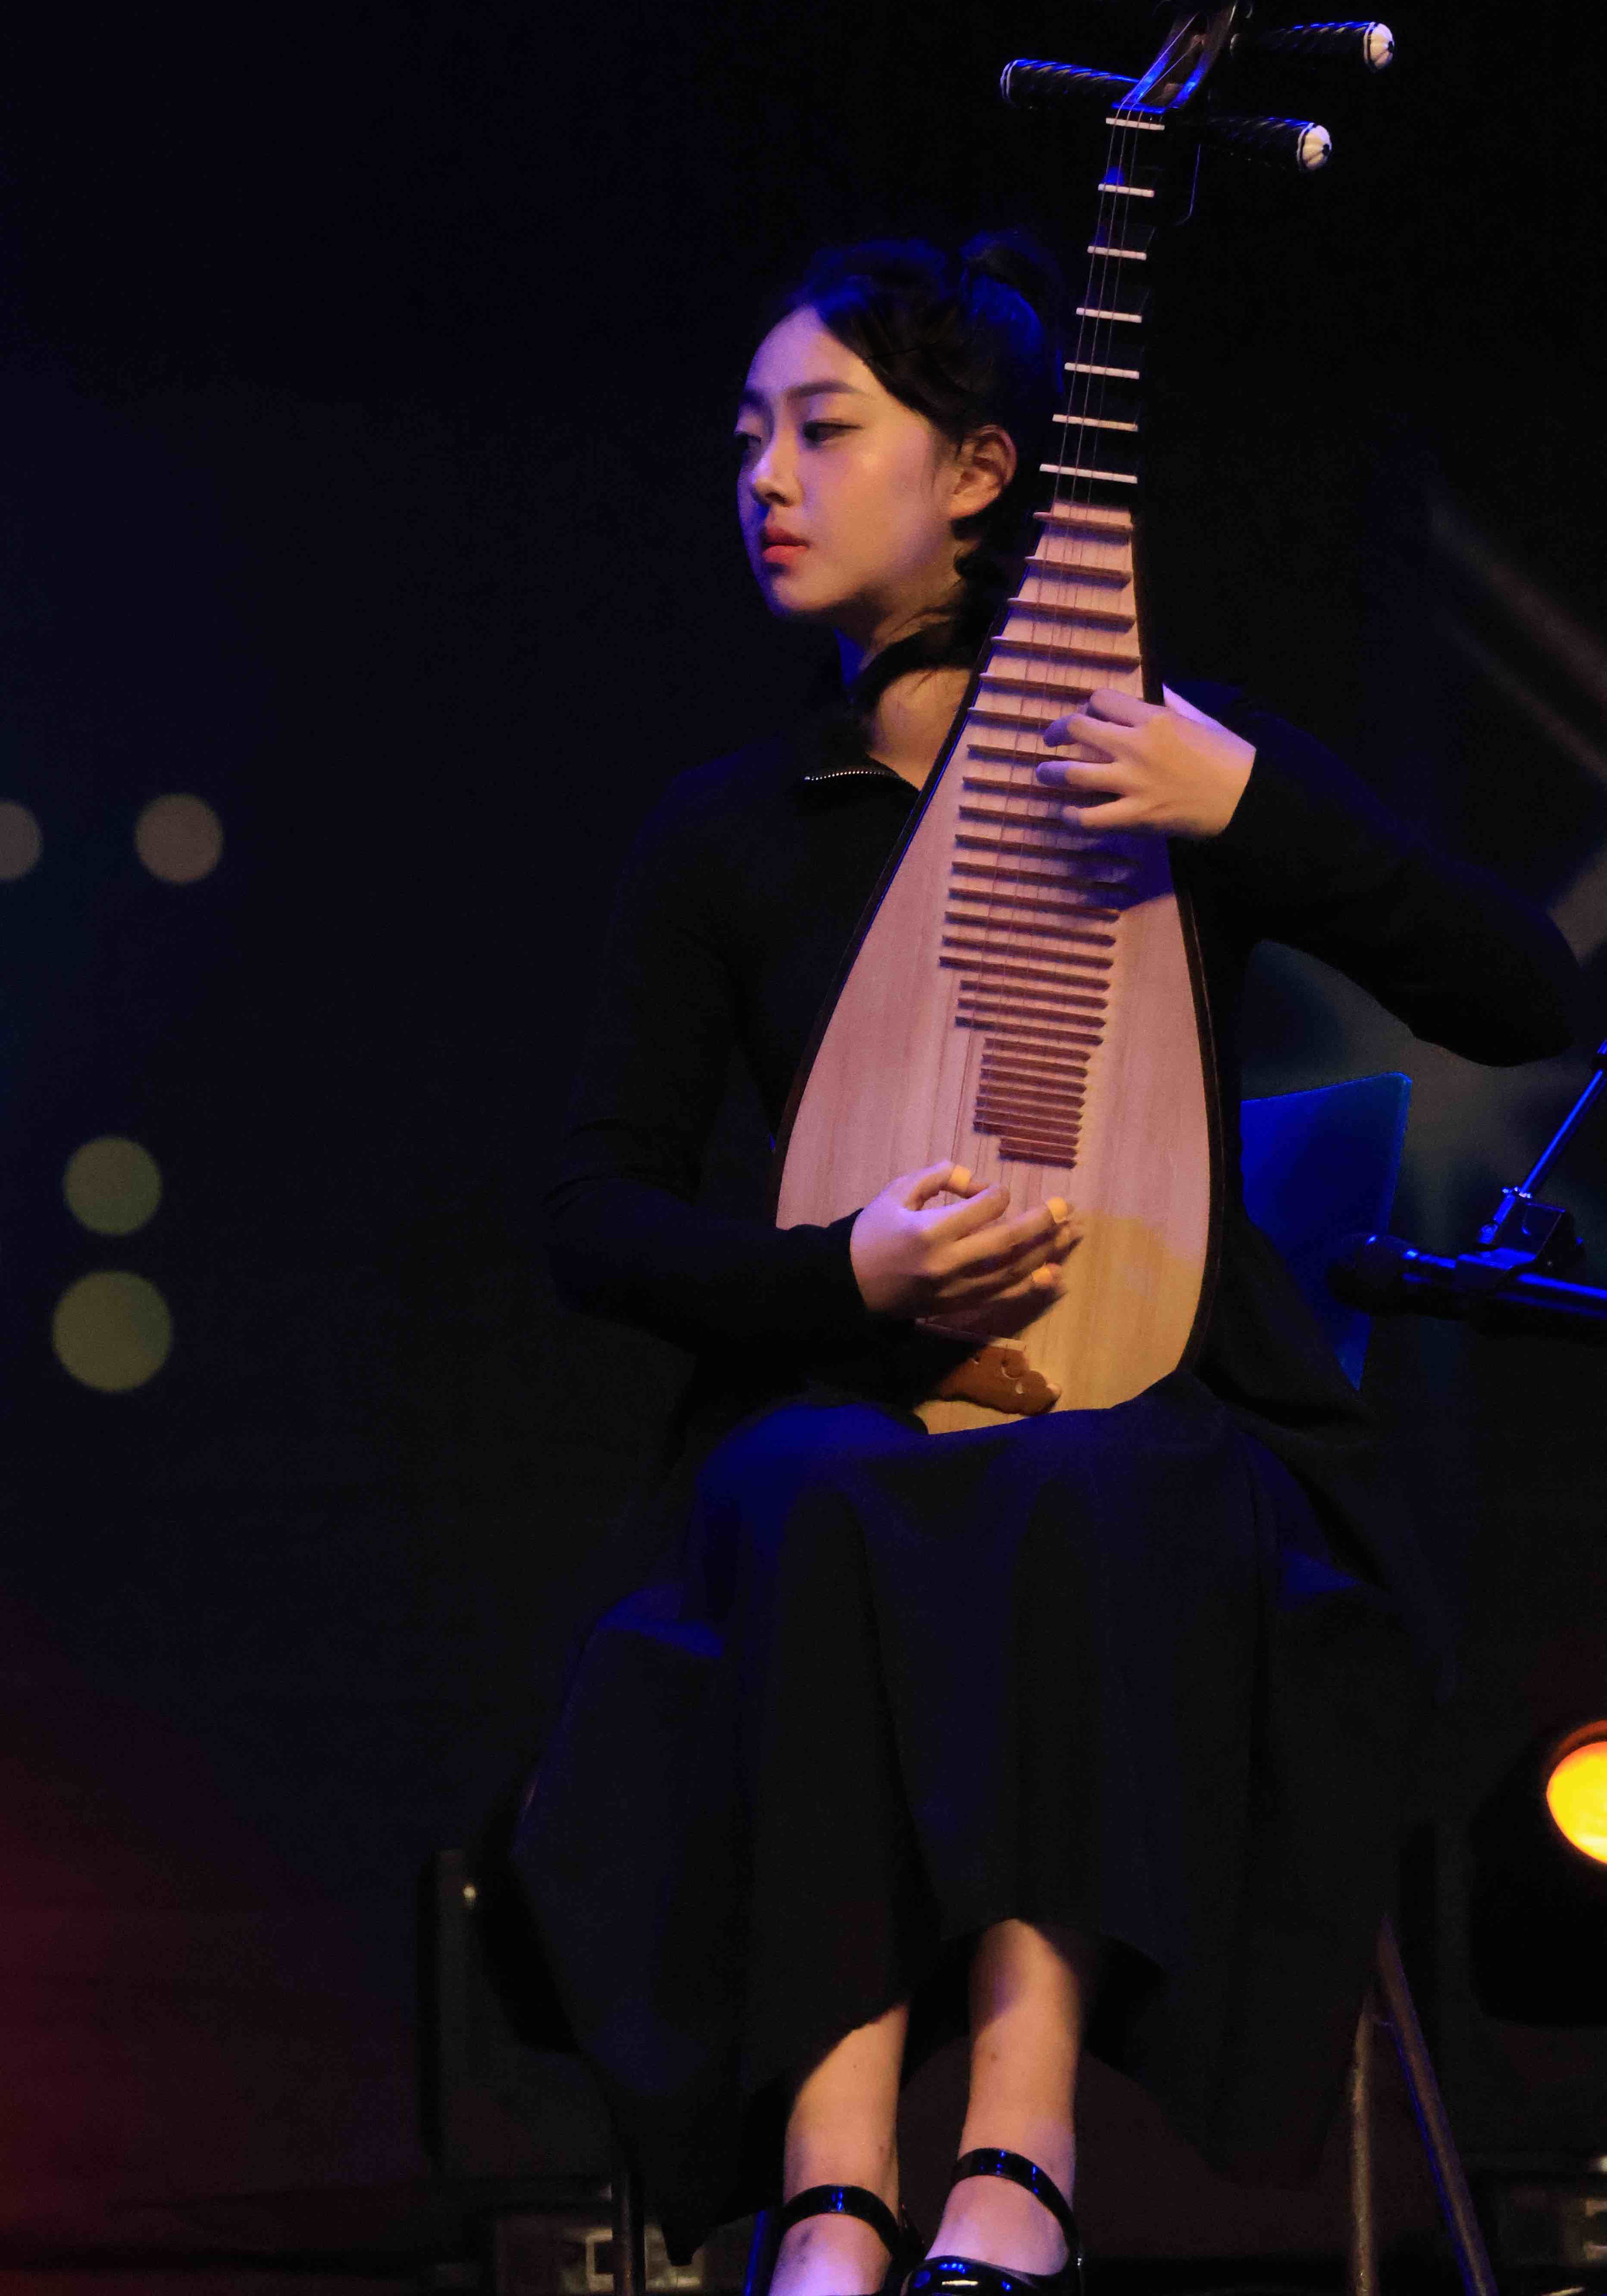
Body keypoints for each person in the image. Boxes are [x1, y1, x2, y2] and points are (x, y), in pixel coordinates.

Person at [509, 235, 1580, 2296]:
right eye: (744, 439)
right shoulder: (732, 832)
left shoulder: (1166, 760)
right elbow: (594, 1212)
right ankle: (832, 2187)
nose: (764, 479)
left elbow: (1522, 993)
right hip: (832, 1420)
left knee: (1101, 1482)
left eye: (824, 430)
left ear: (985, 470)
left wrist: (1242, 806)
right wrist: (846, 1275)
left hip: (1170, 1422)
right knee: (812, 1490)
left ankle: (1020, 2148)